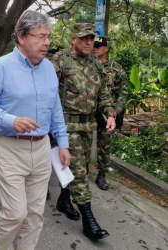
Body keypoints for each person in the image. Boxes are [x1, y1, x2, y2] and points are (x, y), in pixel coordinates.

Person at [0, 10, 71, 250]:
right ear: (21, 37)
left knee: (36, 213)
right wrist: (9, 120)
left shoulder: (48, 68)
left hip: (41, 147)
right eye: (40, 36)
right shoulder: (1, 68)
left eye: (48, 36)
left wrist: (63, 143)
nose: (46, 42)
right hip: (8, 146)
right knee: (16, 212)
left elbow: (54, 107)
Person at [50, 23, 116, 240]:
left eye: (91, 38)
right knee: (80, 173)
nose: (89, 42)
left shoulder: (96, 63)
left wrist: (111, 114)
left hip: (88, 127)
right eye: (84, 38)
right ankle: (89, 221)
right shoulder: (60, 60)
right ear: (73, 39)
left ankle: (63, 200)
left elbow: (104, 95)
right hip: (67, 127)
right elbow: (46, 90)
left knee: (80, 167)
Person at [92, 37, 128, 190]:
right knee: (83, 143)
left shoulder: (117, 69)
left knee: (104, 144)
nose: (95, 48)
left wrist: (115, 111)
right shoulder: (87, 65)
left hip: (107, 114)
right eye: (94, 45)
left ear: (106, 48)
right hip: (88, 111)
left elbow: (123, 93)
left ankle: (101, 174)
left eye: (99, 46)